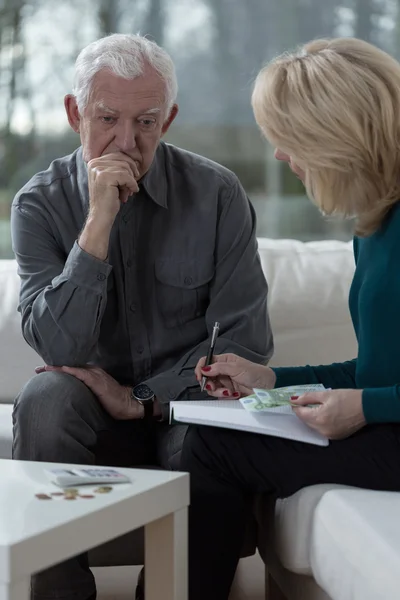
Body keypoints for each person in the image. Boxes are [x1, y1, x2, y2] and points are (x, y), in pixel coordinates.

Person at [10, 34, 272, 600]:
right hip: (91, 431)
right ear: (75, 113)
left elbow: (246, 346)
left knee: (214, 428)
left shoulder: (217, 194)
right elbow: (58, 348)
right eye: (107, 118)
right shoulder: (39, 204)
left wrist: (144, 398)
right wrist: (98, 222)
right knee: (45, 400)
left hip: (188, 416)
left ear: (169, 118)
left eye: (146, 122)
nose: (125, 142)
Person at [181, 37, 400, 600]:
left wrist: (368, 408)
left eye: (287, 137)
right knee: (214, 425)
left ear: (335, 136)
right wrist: (272, 380)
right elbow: (380, 369)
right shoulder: (375, 226)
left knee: (212, 446)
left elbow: (378, 392)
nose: (278, 154)